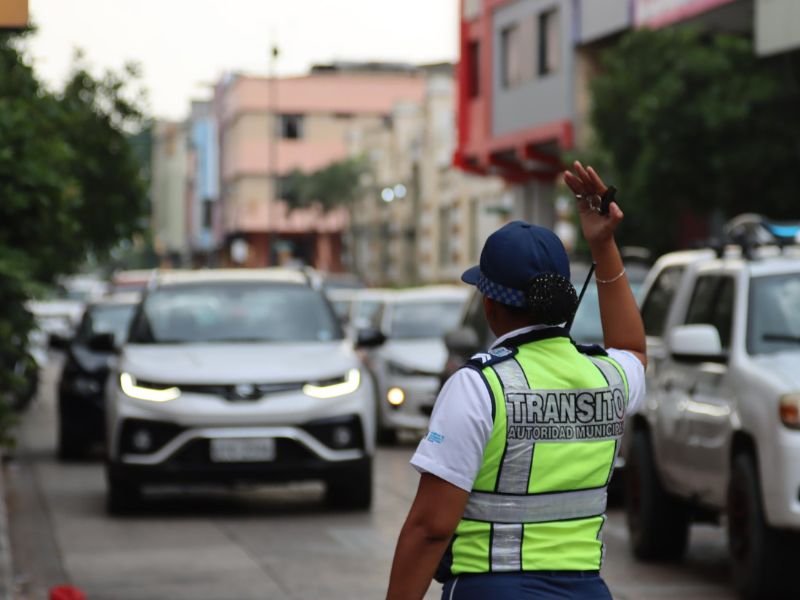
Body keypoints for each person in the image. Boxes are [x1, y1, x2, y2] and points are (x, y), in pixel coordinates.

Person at [386, 162, 646, 600]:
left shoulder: (480, 387)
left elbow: (431, 528)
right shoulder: (610, 377)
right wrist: (604, 245)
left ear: (490, 305)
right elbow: (634, 349)